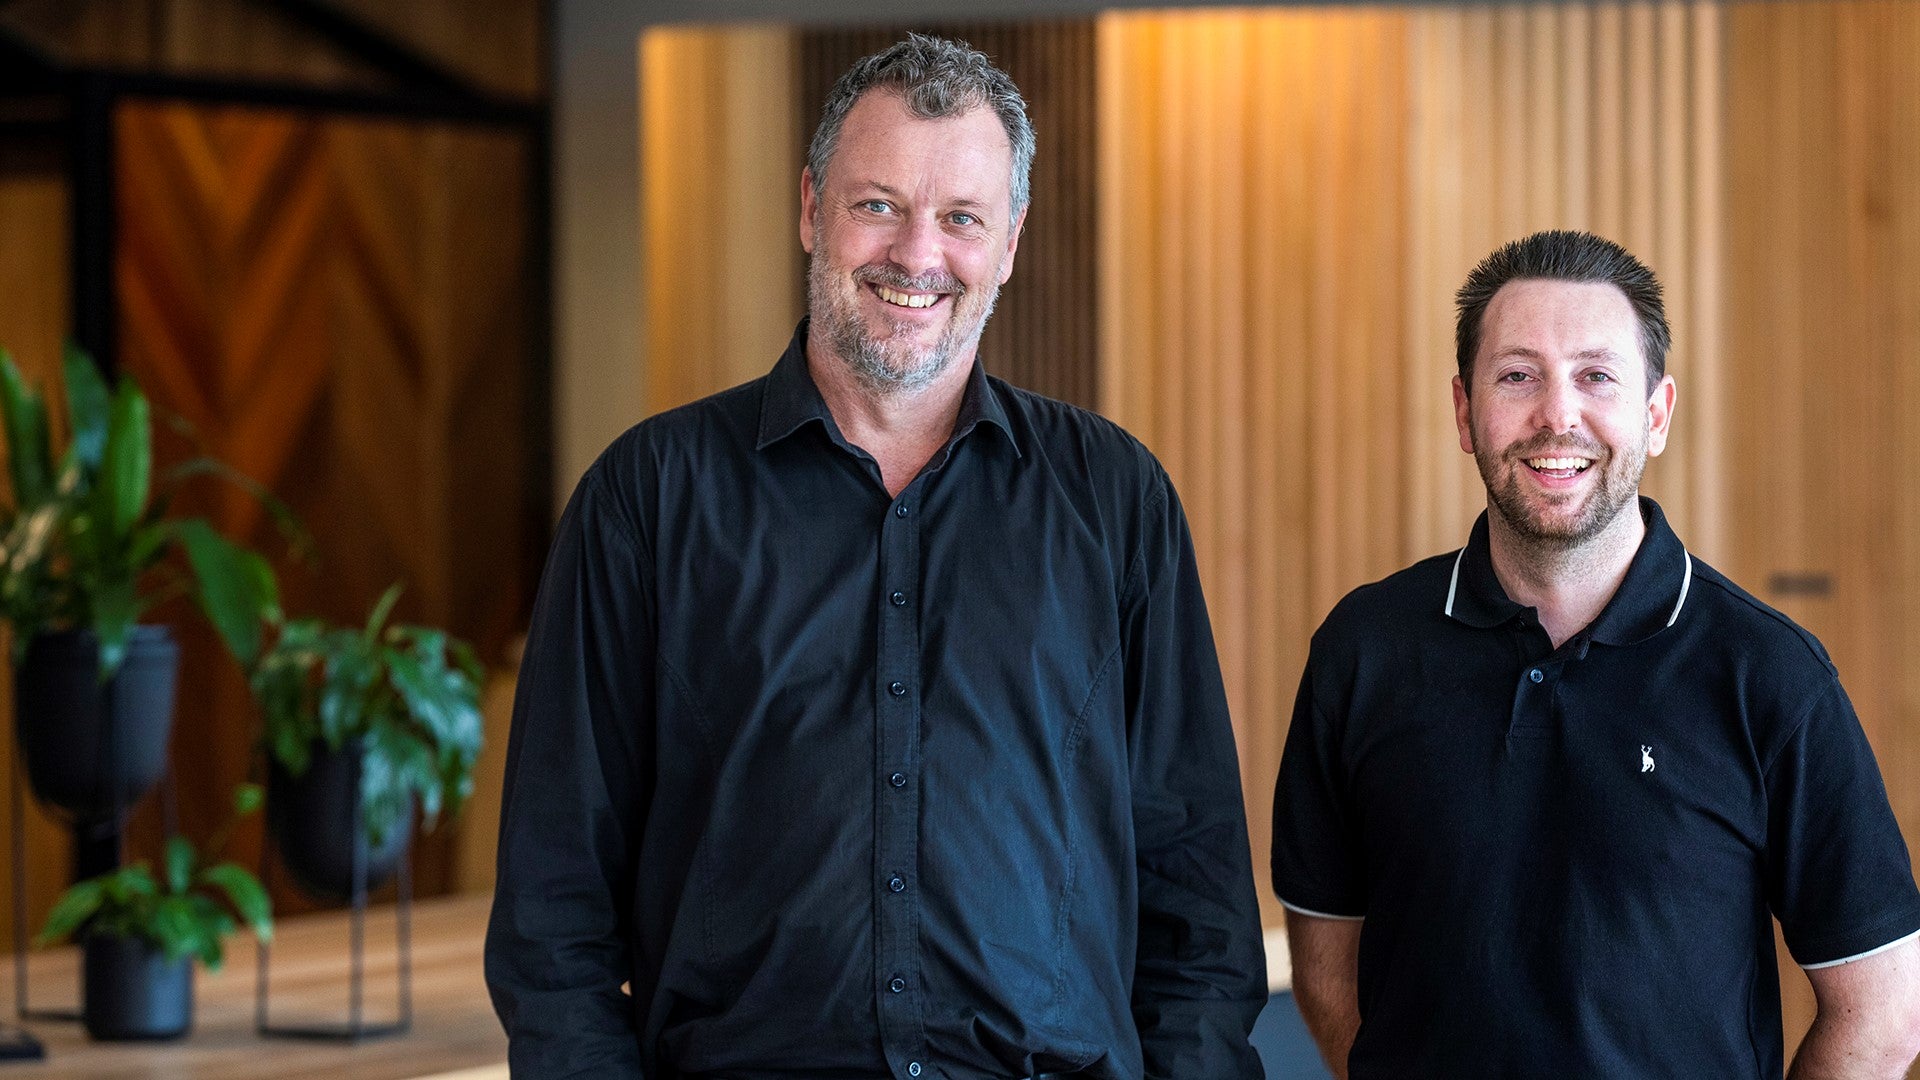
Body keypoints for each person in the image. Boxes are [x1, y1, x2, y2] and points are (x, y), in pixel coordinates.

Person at [487, 34, 1267, 1079]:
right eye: (877, 205)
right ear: (812, 209)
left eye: (961, 219)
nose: (917, 255)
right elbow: (553, 908)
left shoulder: (1114, 500)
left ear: (1011, 240)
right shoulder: (648, 500)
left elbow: (1197, 896)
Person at [1271, 229, 1920, 1078]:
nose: (1558, 415)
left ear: (1655, 415)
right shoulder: (1363, 652)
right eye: (1518, 376)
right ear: (1466, 412)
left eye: (1596, 376)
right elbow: (1327, 969)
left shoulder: (1770, 675)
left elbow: (1883, 1011)